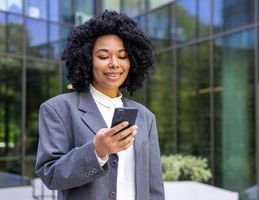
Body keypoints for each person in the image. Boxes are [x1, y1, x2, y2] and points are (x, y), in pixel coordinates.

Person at [35, 10, 165, 200]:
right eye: (103, 56)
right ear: (88, 60)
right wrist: (97, 151)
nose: (114, 64)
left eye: (122, 56)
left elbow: (154, 187)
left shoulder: (145, 117)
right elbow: (50, 175)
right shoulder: (58, 109)